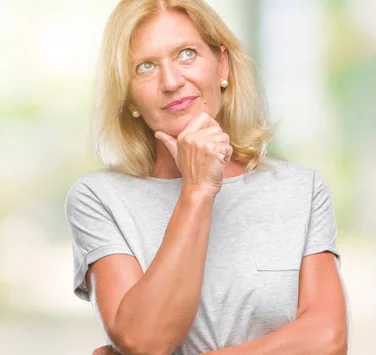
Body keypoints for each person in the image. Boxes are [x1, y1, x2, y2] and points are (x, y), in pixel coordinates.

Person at [64, 0, 349, 354]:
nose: (171, 81)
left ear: (222, 66)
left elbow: (327, 339)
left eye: (186, 54)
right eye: (146, 67)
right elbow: (144, 340)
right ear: (129, 98)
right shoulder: (99, 198)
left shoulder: (300, 190)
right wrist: (197, 190)